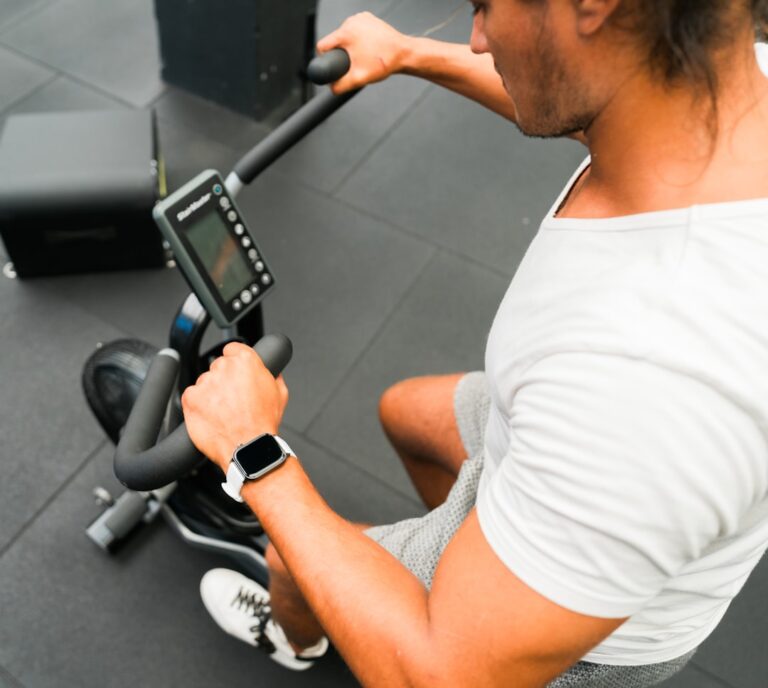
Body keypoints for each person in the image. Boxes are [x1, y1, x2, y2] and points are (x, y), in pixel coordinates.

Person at [183, 2, 768, 686]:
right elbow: (570, 83)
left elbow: (439, 676)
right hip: (586, 447)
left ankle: (300, 641)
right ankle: (479, 556)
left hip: (590, 645)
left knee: (287, 560)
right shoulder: (728, 74)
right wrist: (407, 53)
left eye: (486, 6)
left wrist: (252, 449)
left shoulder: (650, 371)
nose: (478, 38)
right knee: (406, 412)